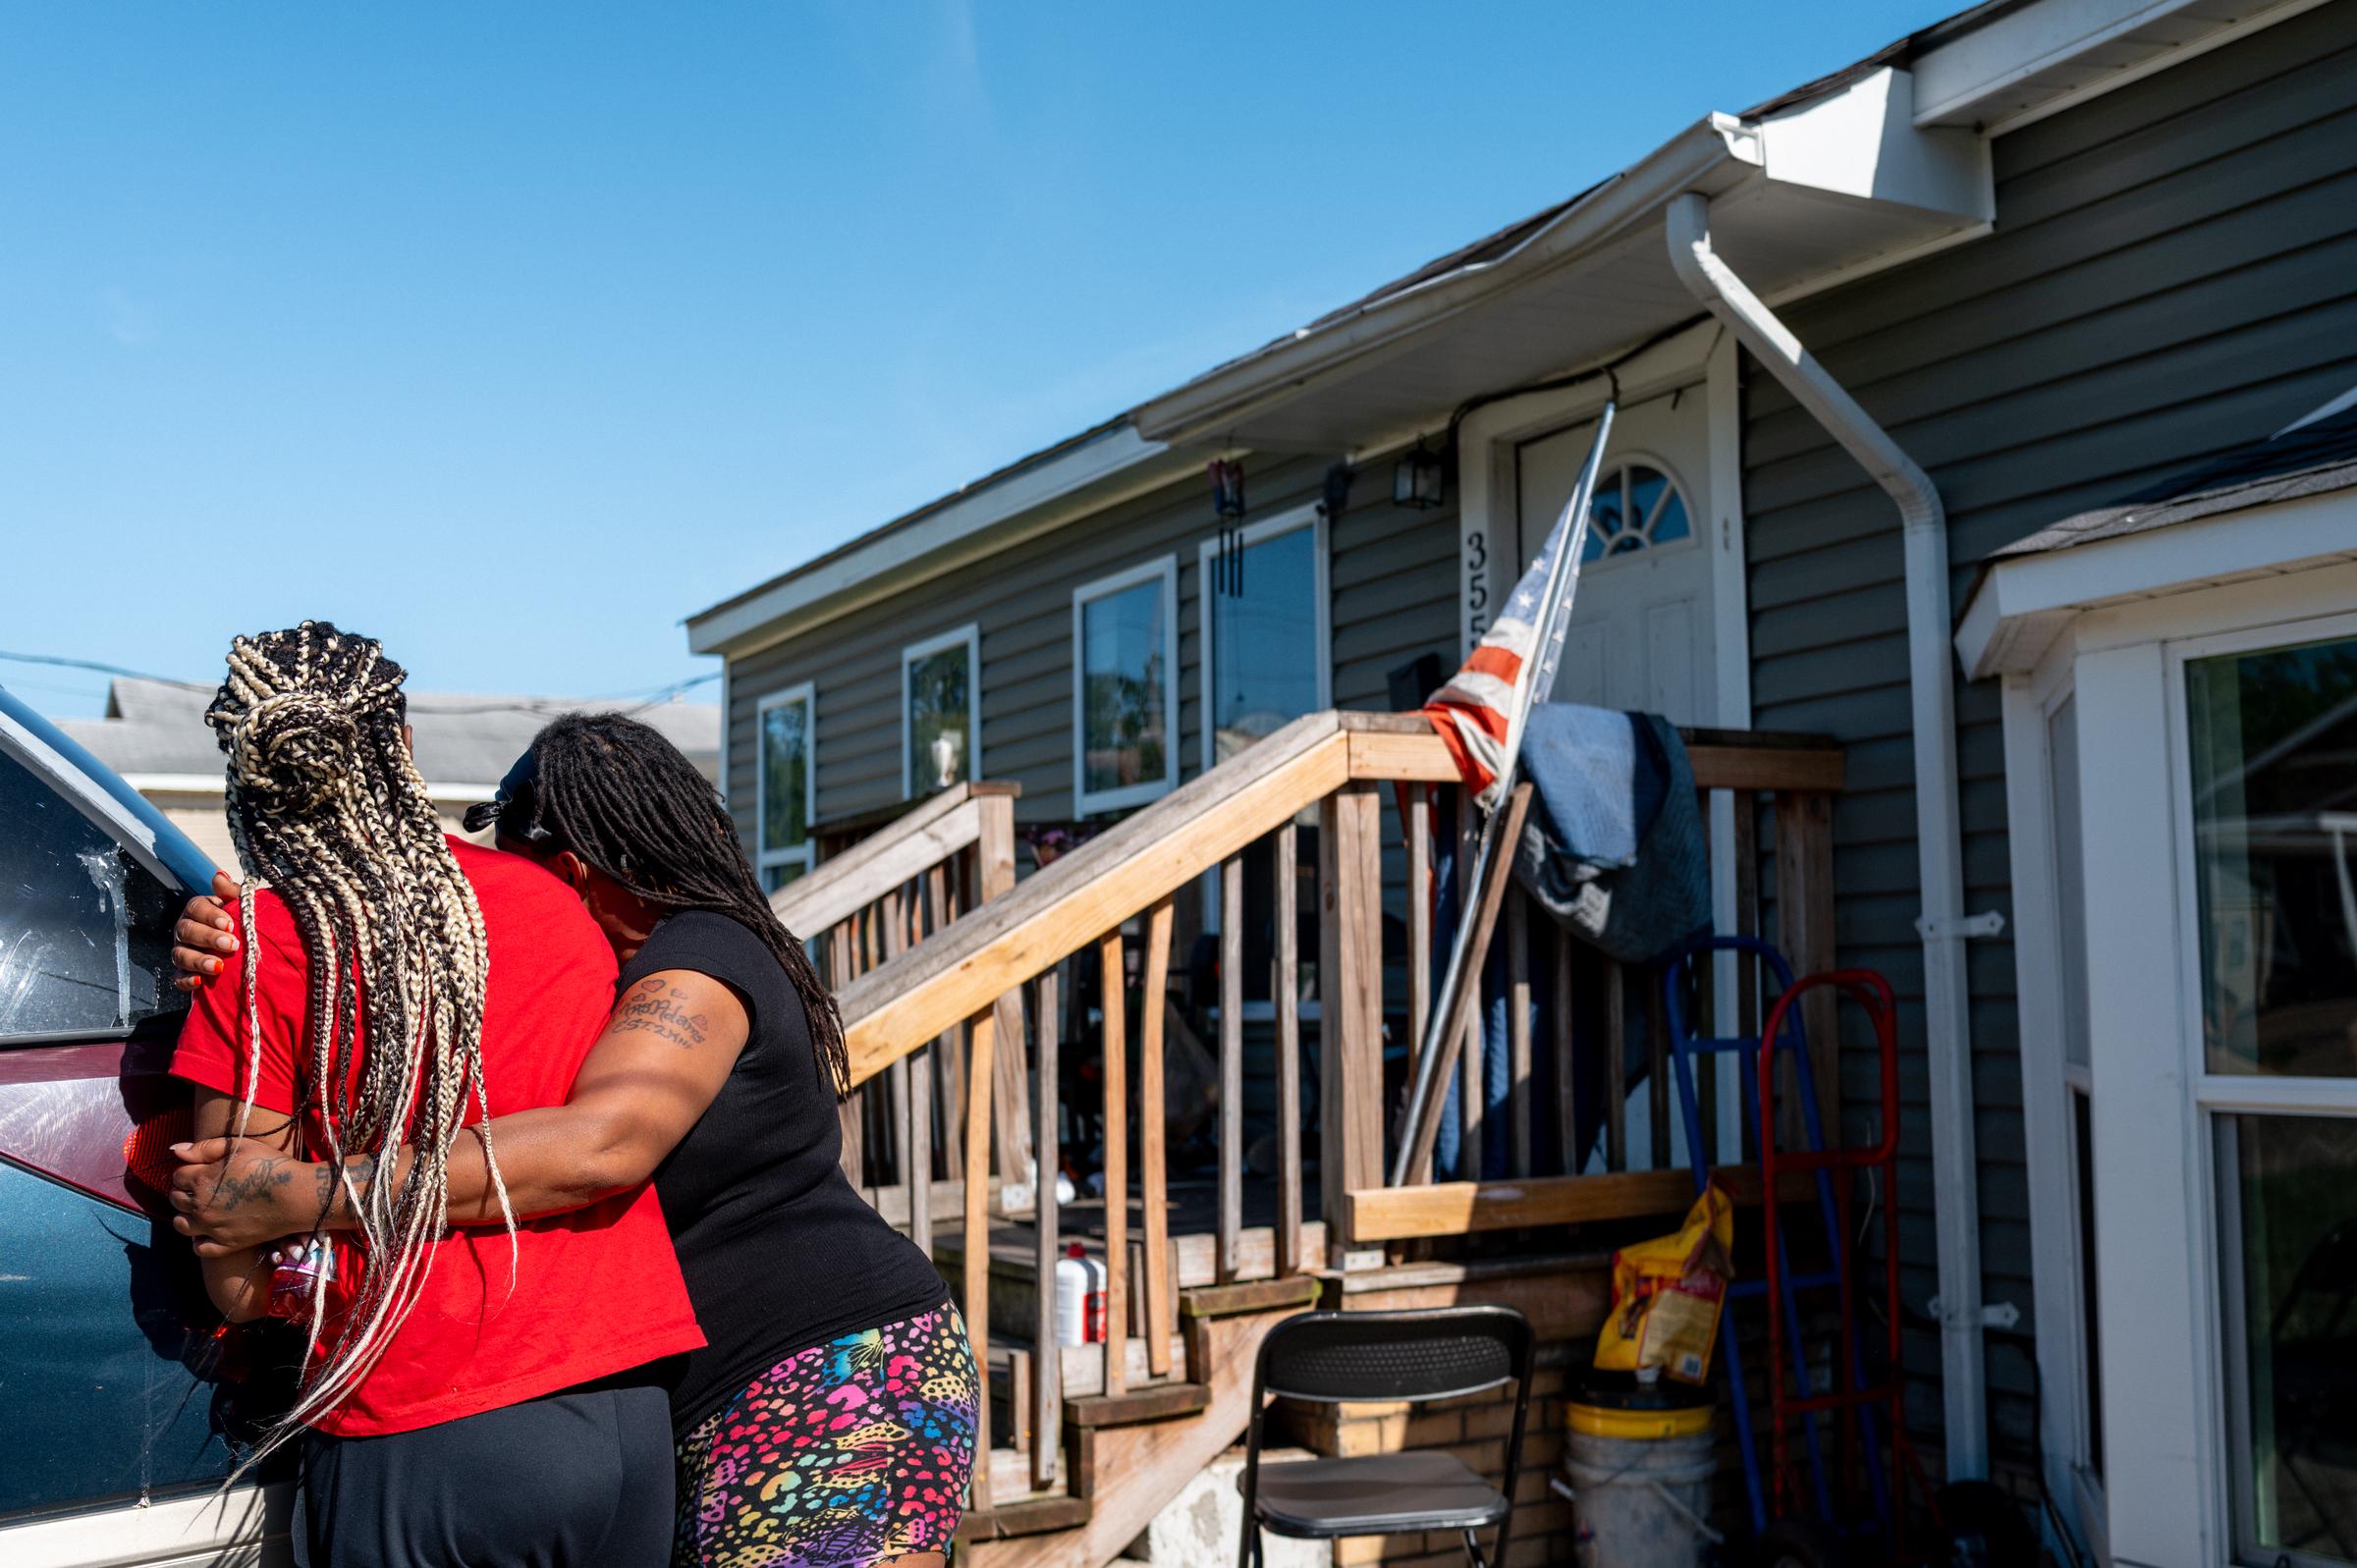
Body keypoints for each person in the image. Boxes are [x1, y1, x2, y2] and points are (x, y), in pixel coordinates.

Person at [171, 708, 976, 1568]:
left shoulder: (701, 958)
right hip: (684, 1406)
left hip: (827, 1374)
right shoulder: (604, 971)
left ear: (572, 870)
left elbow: (602, 1144)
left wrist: (292, 1195)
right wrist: (235, 932)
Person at [173, 622, 703, 1568]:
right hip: (619, 1409)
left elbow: (241, 1280)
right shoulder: (555, 903)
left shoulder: (258, 945)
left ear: (248, 778)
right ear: (403, 748)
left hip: (417, 1425)